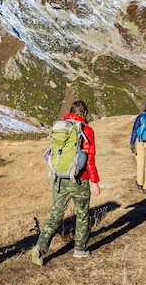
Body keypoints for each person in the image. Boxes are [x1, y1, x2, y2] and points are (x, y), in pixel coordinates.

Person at [31, 100, 101, 266]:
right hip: (80, 180)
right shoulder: (87, 130)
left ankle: (40, 247)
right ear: (85, 112)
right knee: (83, 214)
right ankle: (79, 250)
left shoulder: (61, 128)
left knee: (55, 215)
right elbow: (90, 158)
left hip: (60, 179)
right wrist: (95, 181)